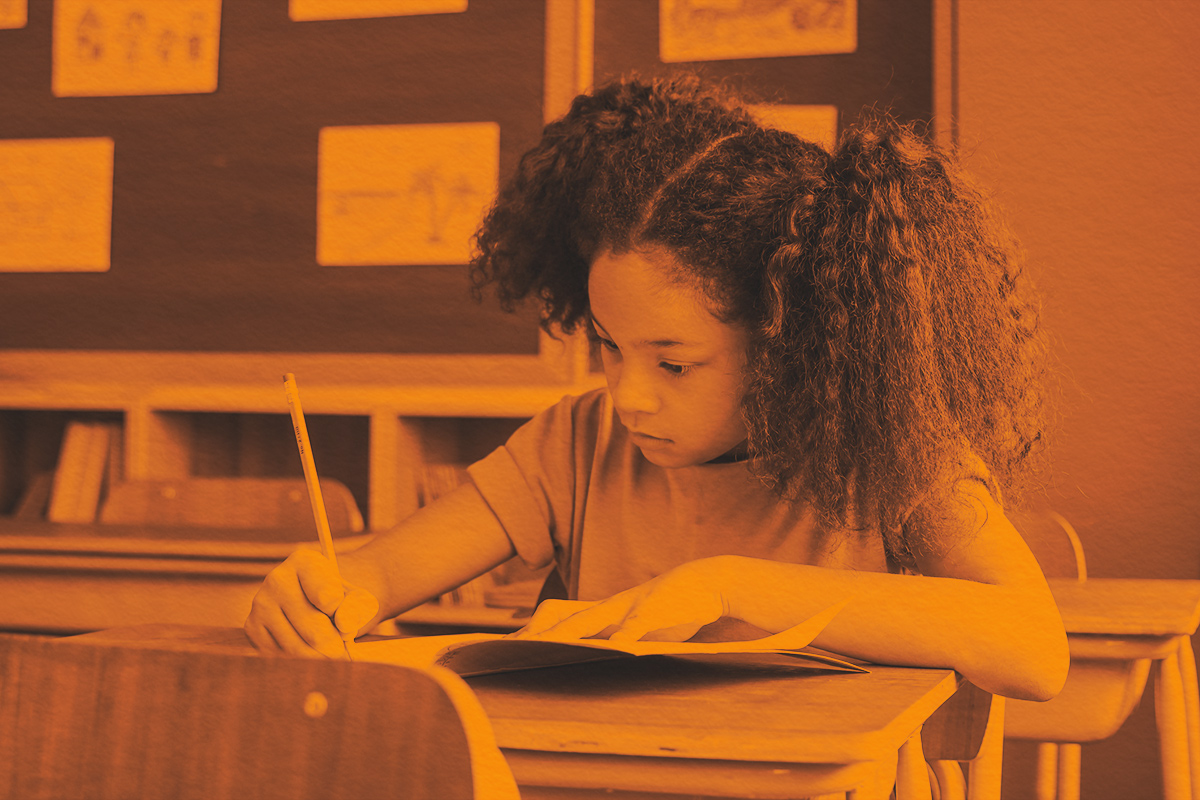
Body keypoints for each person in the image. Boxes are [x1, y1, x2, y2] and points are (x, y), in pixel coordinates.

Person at [245, 75, 1068, 702]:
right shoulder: (574, 445)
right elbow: (380, 577)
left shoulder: (888, 452)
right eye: (608, 347)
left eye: (674, 364)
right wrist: (324, 592)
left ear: (786, 342)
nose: (629, 396)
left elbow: (1034, 646)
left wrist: (732, 584)